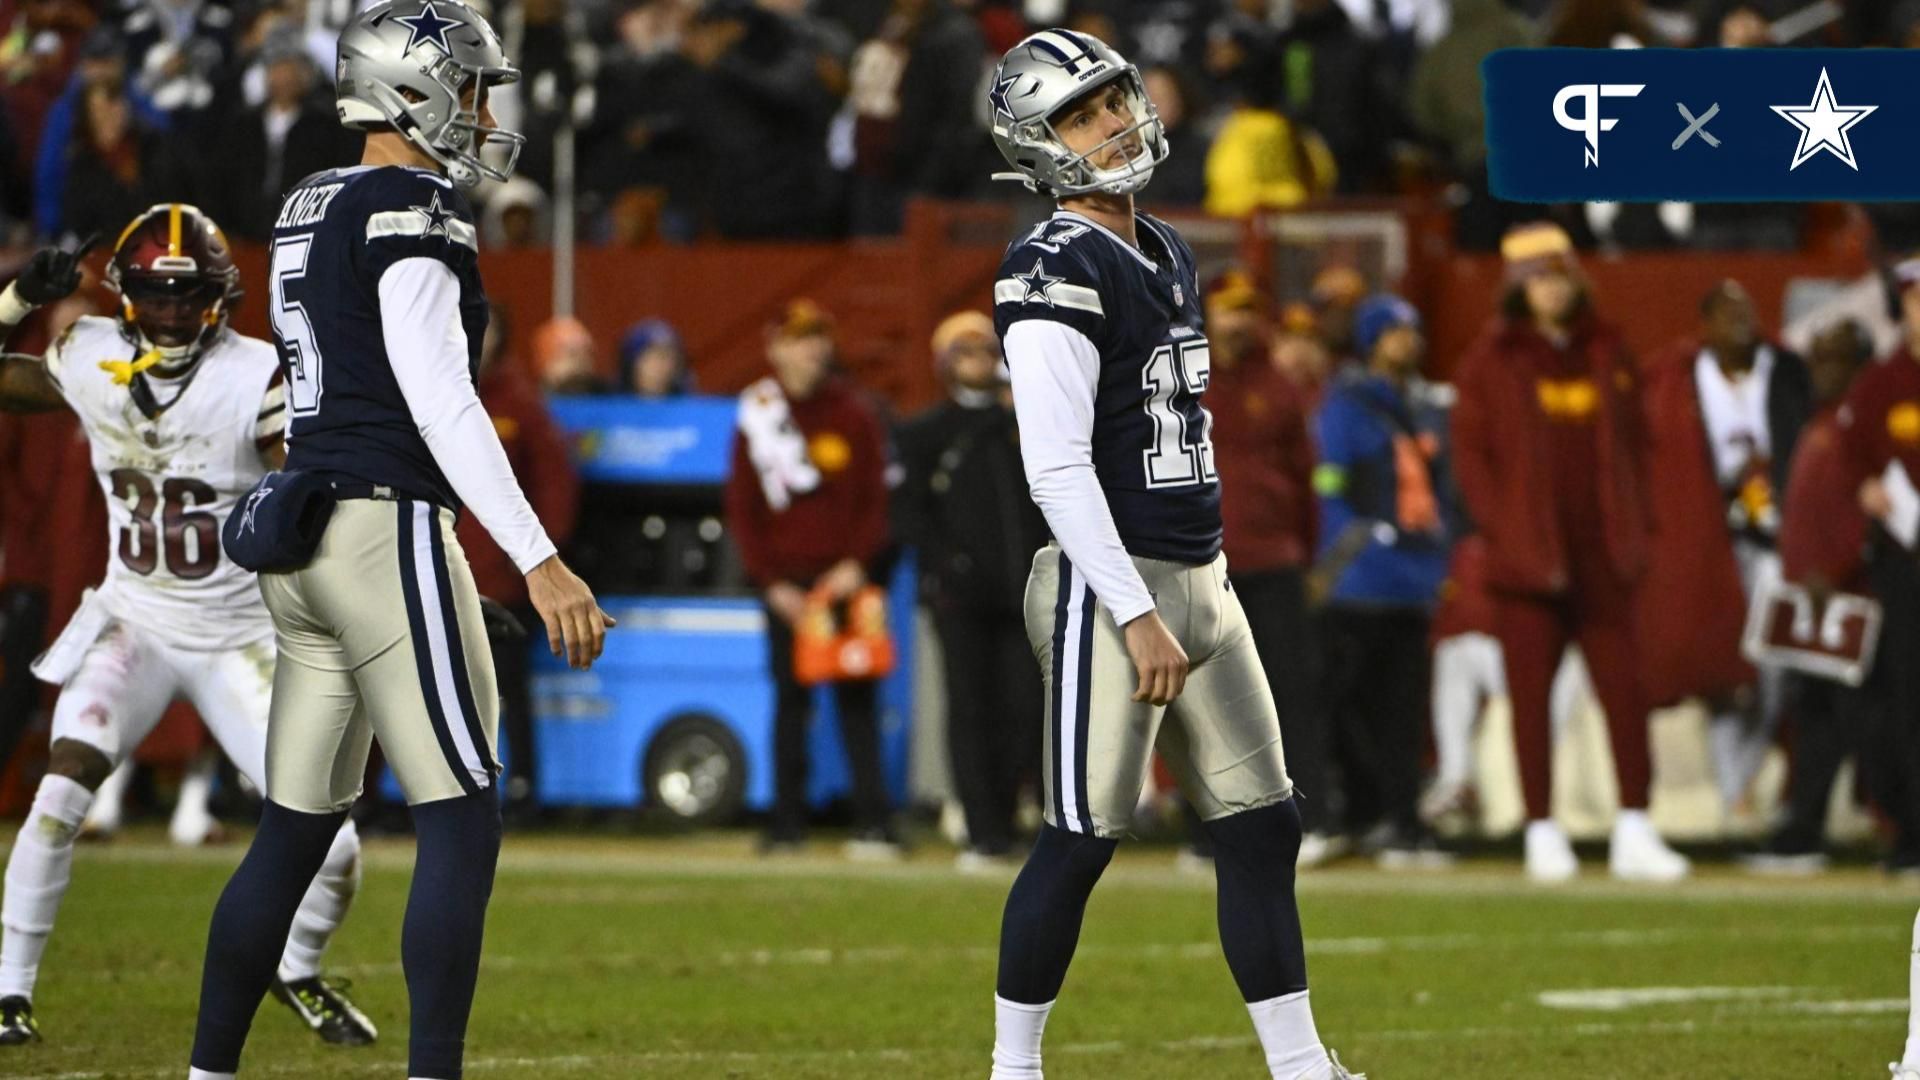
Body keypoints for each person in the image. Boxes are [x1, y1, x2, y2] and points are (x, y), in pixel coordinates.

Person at [187, 5, 611, 1079]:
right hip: (384, 526)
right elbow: (441, 401)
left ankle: (206, 1073)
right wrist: (537, 555)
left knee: (290, 832)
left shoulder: (309, 199)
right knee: (464, 816)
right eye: (469, 88)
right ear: (412, 90)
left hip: (306, 534)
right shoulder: (413, 204)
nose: (482, 111)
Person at [984, 30, 1360, 1080]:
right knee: (1082, 834)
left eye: (1113, 100)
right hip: (1111, 588)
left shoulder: (1167, 245)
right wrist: (1132, 610)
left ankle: (1299, 1066)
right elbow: (1056, 469)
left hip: (1202, 574)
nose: (1112, 123)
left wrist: (1190, 590)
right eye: (1081, 114)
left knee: (1262, 825)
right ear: (1038, 142)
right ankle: (1014, 1069)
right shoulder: (1051, 265)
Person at [0, 208, 372, 1048]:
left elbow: (319, 499)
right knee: (60, 789)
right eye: (157, 295)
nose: (171, 314)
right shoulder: (91, 352)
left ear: (220, 298)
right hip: (135, 619)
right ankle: (7, 993)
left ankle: (298, 966)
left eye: (190, 295)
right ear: (125, 296)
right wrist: (17, 299)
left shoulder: (257, 378)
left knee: (336, 845)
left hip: (242, 634)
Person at [1451, 222, 1689, 884]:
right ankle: (1542, 830)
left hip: (1603, 556)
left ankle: (1636, 826)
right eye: (1536, 280)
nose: (1550, 291)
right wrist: (1506, 535)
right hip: (1527, 565)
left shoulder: (1607, 350)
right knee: (1531, 702)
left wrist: (1637, 533)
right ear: (1516, 290)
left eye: (1558, 277)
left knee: (1626, 693)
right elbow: (1473, 463)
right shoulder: (1490, 361)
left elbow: (1639, 448)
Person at [723, 299, 896, 855]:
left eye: (819, 336)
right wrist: (771, 583)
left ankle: (874, 823)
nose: (813, 348)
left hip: (844, 583)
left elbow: (877, 498)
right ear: (775, 348)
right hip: (788, 589)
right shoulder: (759, 414)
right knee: (789, 706)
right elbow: (743, 508)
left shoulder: (855, 413)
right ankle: (786, 824)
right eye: (800, 338)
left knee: (857, 704)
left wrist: (856, 564)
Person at [1640, 280, 1811, 824]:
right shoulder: (1678, 379)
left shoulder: (1785, 372)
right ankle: (1733, 792)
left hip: (1777, 540)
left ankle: (1746, 780)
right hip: (1707, 543)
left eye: (1749, 310)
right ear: (1704, 322)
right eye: (1728, 312)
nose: (1743, 320)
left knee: (1777, 668)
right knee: (1722, 668)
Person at [894, 310, 1047, 869]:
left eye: (986, 349)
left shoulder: (1026, 424)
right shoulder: (925, 431)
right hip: (961, 599)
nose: (979, 360)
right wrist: (948, 565)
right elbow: (909, 514)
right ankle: (984, 830)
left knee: (1026, 711)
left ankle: (1010, 818)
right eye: (965, 351)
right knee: (971, 710)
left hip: (1021, 594)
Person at [1311, 293, 1452, 864]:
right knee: (1342, 706)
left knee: (1403, 711)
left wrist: (1437, 557)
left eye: (1414, 329)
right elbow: (1329, 486)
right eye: (1396, 331)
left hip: (1411, 580)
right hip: (1359, 581)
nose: (1409, 341)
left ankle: (1401, 820)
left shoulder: (1425, 406)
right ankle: (1350, 812)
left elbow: (1442, 492)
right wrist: (1350, 546)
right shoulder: (1345, 406)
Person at [1203, 270, 1332, 864]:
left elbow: (1305, 481)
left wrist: (1306, 554)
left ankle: (1306, 819)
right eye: (1228, 309)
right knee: (1205, 701)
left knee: (1289, 695)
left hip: (1274, 560)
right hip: (1204, 562)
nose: (1238, 321)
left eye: (1247, 310)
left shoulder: (1278, 386)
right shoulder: (1183, 376)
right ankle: (1212, 827)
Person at [1745, 318, 1873, 872]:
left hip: (1855, 596)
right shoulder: (1821, 421)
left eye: (1833, 359)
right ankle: (1804, 826)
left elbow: (1871, 505)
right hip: (1815, 597)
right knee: (1817, 719)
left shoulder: (1862, 423)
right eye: (1816, 358)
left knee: (1868, 719)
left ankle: (1892, 824)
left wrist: (1837, 566)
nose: (1819, 370)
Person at [457, 304, 581, 819]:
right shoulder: (435, 393)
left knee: (508, 691)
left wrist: (534, 558)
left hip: (500, 584)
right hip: (440, 572)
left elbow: (557, 486)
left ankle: (523, 790)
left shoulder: (519, 404)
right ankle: (444, 793)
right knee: (440, 689)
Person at [619, 318, 693, 397]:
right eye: (651, 357)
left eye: (667, 357)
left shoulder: (692, 407)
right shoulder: (610, 406)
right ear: (632, 364)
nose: (660, 365)